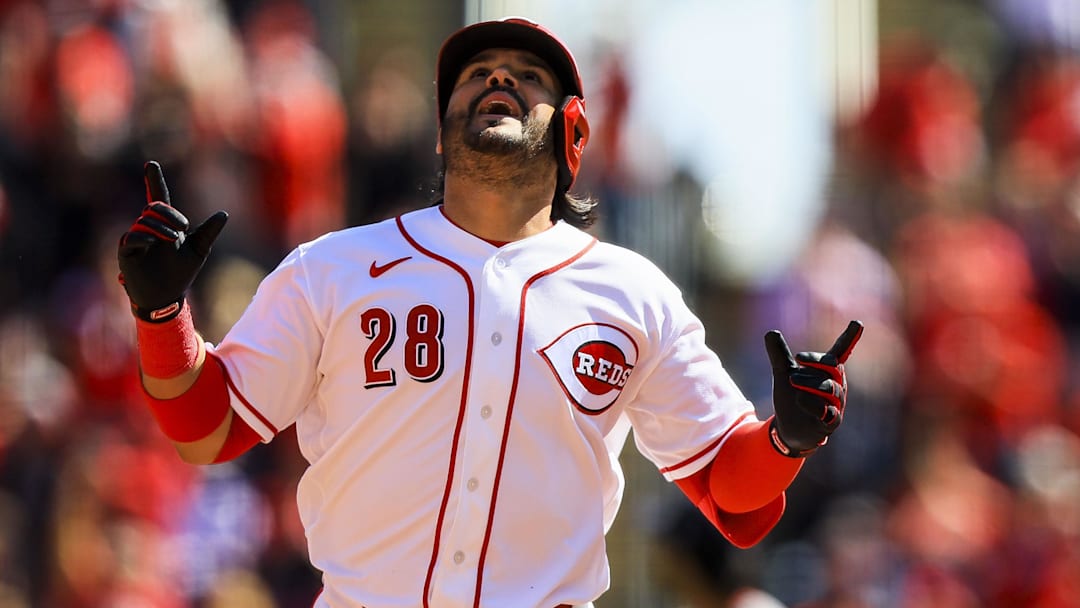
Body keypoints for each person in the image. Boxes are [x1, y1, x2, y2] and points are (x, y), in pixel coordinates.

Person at [116, 17, 863, 608]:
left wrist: (788, 440)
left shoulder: (633, 293)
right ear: (443, 132)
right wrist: (160, 316)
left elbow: (731, 482)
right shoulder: (332, 268)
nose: (498, 78)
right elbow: (207, 426)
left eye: (527, 76)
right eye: (476, 75)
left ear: (573, 133)